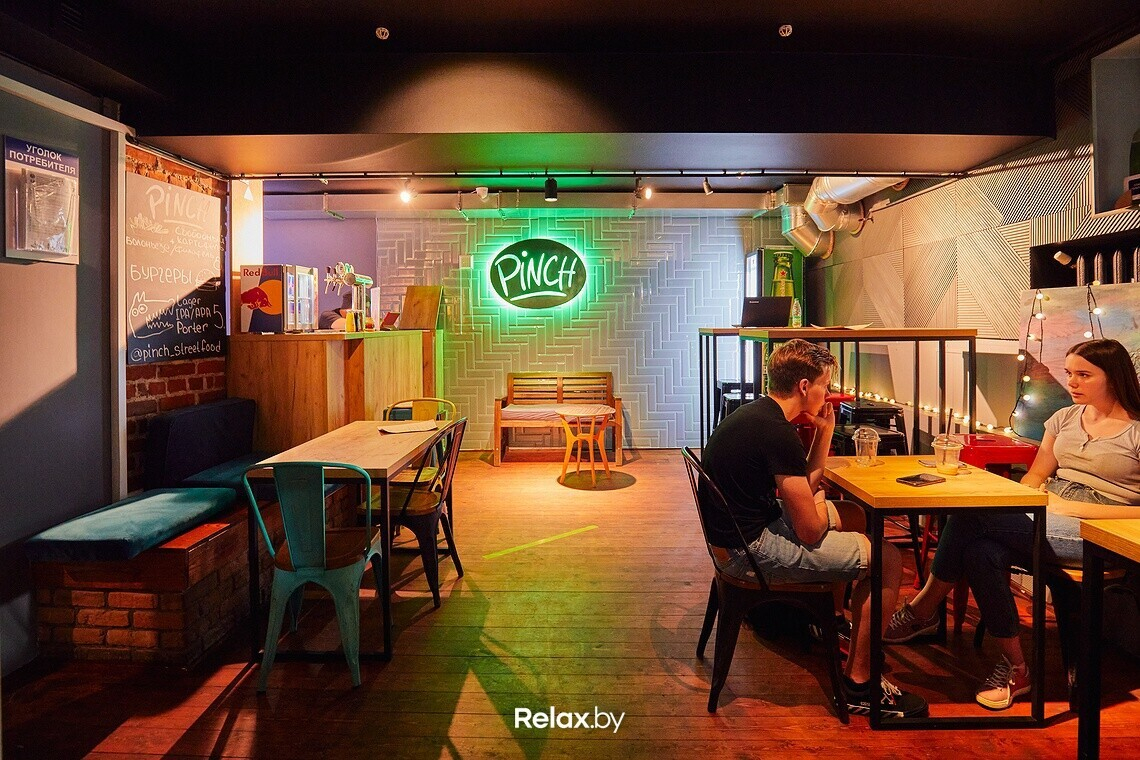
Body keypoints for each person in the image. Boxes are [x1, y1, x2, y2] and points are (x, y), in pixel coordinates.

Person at [885, 338, 1140, 709]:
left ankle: (923, 609)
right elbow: (1036, 476)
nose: (1072, 382)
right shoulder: (1065, 418)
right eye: (1069, 373)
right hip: (1050, 509)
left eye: (1084, 375)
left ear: (1114, 378)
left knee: (971, 515)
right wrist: (1025, 500)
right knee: (980, 551)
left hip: (1101, 528)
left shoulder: (1135, 430)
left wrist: (1074, 511)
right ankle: (1016, 666)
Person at [701, 338, 928, 718]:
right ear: (804, 386)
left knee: (852, 515)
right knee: (888, 559)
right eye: (825, 384)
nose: (830, 393)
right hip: (749, 552)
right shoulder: (777, 432)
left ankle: (832, 620)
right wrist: (819, 506)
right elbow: (809, 528)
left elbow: (801, 486)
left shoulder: (760, 415)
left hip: (738, 536)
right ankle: (859, 685)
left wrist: (824, 432)